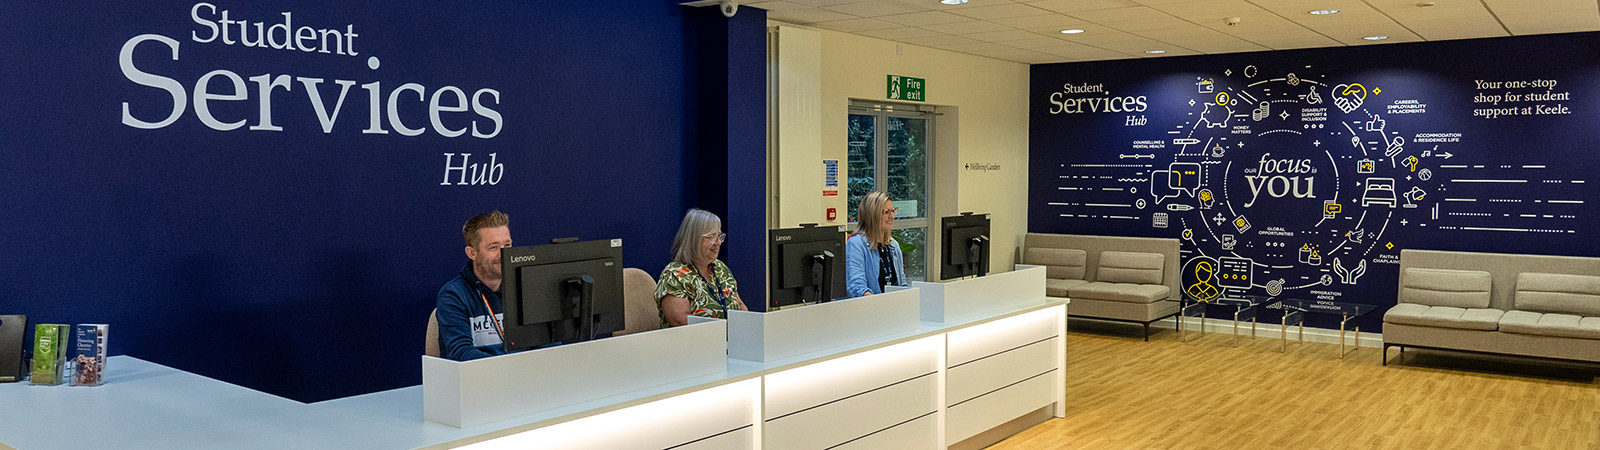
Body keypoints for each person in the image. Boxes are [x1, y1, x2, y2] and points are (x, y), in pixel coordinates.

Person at [435, 211, 514, 361]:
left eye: (507, 245)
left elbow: (547, 342)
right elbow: (460, 353)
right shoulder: (453, 295)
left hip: (525, 373)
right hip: (479, 374)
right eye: (493, 247)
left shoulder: (524, 288)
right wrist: (505, 369)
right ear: (472, 253)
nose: (503, 253)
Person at [656, 208, 747, 327]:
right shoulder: (675, 275)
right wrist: (721, 331)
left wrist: (745, 327)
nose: (718, 242)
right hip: (694, 338)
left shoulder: (720, 268)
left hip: (729, 336)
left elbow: (740, 305)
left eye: (719, 236)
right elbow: (680, 322)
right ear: (694, 239)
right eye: (711, 236)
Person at [845, 191, 907, 297]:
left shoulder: (893, 245)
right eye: (886, 212)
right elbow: (856, 287)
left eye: (893, 211)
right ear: (872, 215)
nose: (892, 216)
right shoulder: (856, 244)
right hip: (869, 305)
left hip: (894, 304)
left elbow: (902, 283)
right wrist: (877, 303)